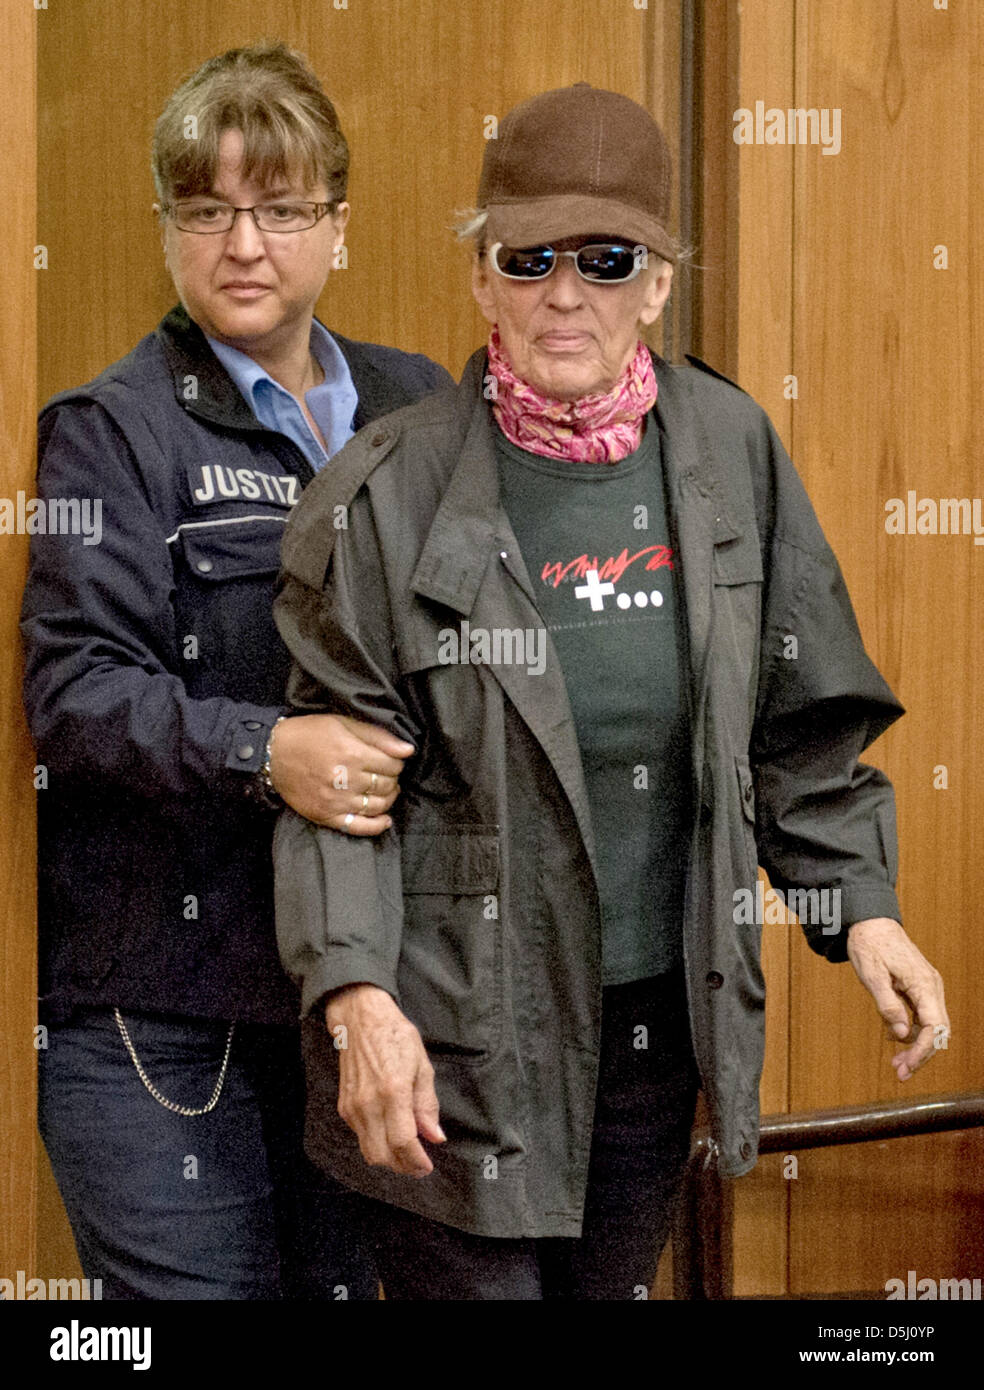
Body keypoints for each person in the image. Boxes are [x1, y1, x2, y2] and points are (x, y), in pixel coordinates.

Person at [271, 83, 949, 1300]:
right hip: (450, 1043)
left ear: (658, 282)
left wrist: (866, 910)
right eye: (526, 260)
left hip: (651, 1041)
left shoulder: (731, 454)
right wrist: (355, 999)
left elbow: (799, 729)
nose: (563, 293)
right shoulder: (384, 491)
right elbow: (336, 792)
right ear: (481, 281)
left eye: (604, 257)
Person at [20, 41, 452, 1300]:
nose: (243, 242)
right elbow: (75, 694)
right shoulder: (114, 429)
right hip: (163, 1012)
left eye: (279, 207)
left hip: (362, 1000)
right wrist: (268, 750)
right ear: (167, 231)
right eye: (205, 210)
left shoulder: (417, 410)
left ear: (338, 226)